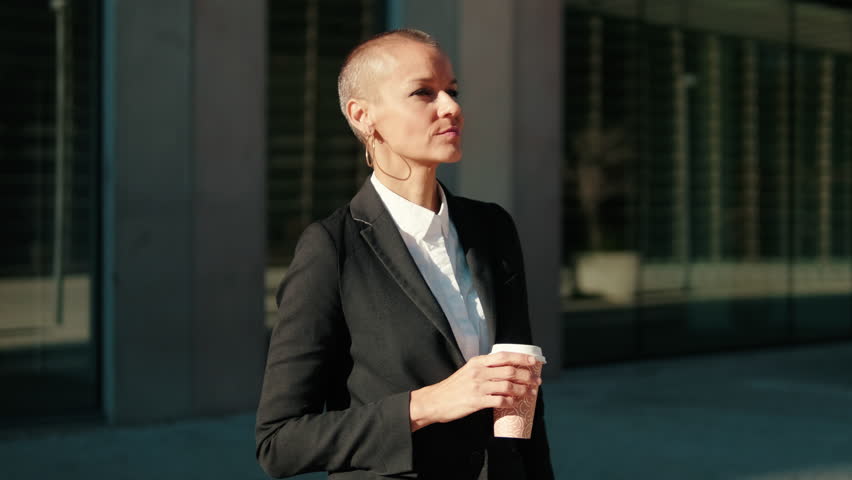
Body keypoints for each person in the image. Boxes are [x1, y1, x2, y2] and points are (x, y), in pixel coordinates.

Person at [255, 29, 554, 480]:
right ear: (363, 116)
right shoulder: (331, 249)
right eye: (423, 93)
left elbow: (524, 402)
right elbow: (280, 443)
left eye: (452, 91)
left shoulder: (492, 228)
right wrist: (428, 404)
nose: (451, 107)